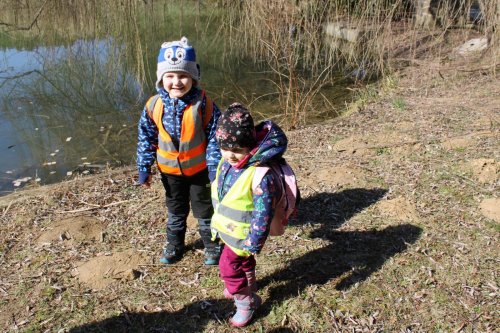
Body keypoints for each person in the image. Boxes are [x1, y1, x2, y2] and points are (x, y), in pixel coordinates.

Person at [137, 37, 222, 266]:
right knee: (176, 209)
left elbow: (216, 138)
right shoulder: (153, 105)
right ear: (161, 78)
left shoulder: (204, 104)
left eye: (183, 76)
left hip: (200, 171)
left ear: (193, 78)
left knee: (204, 210)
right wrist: (144, 167)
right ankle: (175, 243)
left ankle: (212, 244)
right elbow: (146, 137)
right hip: (169, 172)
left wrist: (214, 169)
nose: (177, 82)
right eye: (170, 76)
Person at [211, 103, 289, 327]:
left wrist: (255, 239)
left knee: (227, 266)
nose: (230, 155)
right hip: (230, 229)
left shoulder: (259, 175)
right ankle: (249, 282)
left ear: (250, 147)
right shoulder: (226, 164)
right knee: (242, 261)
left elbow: (263, 212)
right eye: (225, 148)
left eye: (237, 150)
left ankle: (246, 301)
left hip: (245, 233)